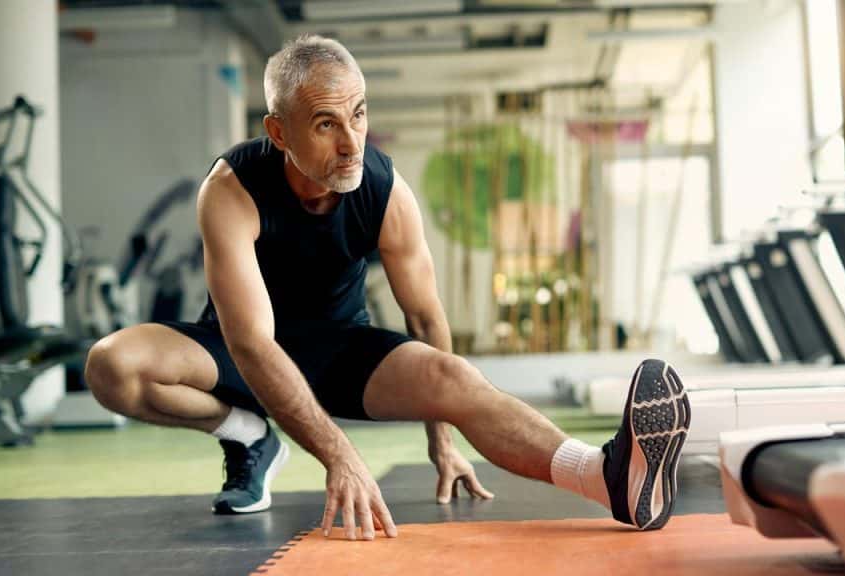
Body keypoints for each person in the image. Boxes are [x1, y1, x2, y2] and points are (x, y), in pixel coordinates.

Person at [84, 33, 690, 541]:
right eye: (325, 124)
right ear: (278, 130)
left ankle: (607, 476)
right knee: (113, 366)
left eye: (360, 114)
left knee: (454, 379)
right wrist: (340, 454)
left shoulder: (385, 190)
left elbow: (425, 319)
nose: (351, 143)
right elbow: (252, 342)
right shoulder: (231, 190)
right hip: (239, 351)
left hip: (342, 351)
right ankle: (245, 434)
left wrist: (443, 438)